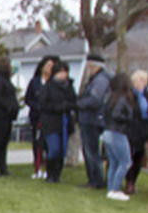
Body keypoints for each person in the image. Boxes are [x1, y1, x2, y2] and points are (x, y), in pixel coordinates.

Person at [37, 61, 76, 183]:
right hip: (50, 122)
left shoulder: (69, 87)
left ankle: (57, 174)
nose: (63, 74)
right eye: (61, 71)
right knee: (53, 148)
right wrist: (57, 107)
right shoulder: (48, 87)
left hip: (64, 122)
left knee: (61, 149)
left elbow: (74, 101)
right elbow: (43, 104)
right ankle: (50, 173)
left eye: (65, 72)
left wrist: (67, 106)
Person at [75, 53, 111, 189]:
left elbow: (95, 99)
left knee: (91, 151)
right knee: (90, 150)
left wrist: (79, 104)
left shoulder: (100, 80)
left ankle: (95, 180)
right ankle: (94, 178)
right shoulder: (98, 78)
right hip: (91, 118)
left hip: (92, 119)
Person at [102, 72, 135, 201]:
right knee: (125, 162)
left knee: (114, 162)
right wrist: (128, 118)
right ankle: (115, 189)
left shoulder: (110, 97)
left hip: (107, 132)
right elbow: (117, 115)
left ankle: (111, 188)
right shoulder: (123, 98)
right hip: (117, 132)